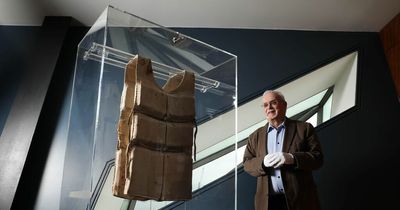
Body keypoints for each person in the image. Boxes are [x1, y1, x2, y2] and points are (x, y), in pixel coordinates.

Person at [243, 90, 323, 210]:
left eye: (273, 103)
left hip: (300, 201)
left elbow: (318, 159)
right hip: (268, 204)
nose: (269, 107)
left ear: (284, 105)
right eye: (265, 105)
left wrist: (292, 158)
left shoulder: (304, 128)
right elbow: (247, 164)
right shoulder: (255, 136)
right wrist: (262, 162)